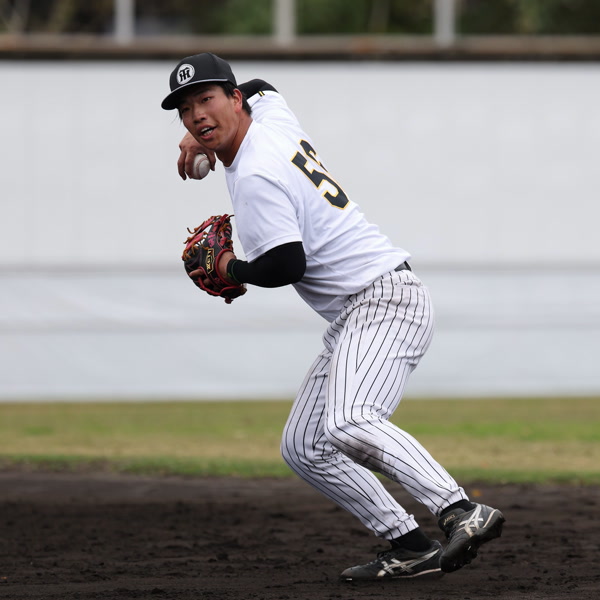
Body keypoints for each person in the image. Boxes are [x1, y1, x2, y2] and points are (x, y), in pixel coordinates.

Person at [161, 52, 504, 581]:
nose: (196, 115)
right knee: (305, 446)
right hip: (359, 311)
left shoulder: (254, 173)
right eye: (186, 109)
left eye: (206, 99)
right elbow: (264, 84)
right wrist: (200, 130)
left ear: (234, 99)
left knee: (349, 421)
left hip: (385, 301)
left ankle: (460, 509)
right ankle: (409, 544)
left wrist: (230, 267)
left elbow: (285, 265)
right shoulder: (270, 120)